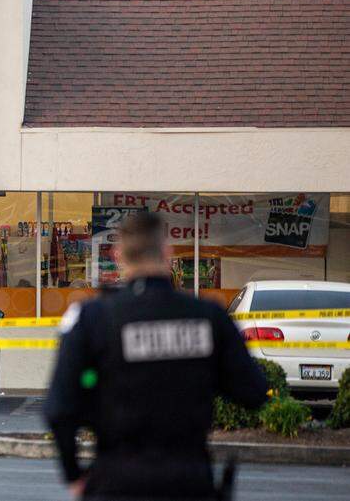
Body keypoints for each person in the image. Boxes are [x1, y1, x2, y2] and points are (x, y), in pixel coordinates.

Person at [44, 211, 268, 500]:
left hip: (116, 481)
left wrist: (74, 474)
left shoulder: (93, 318)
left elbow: (59, 409)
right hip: (188, 481)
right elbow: (253, 392)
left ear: (118, 255)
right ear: (167, 253)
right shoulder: (208, 317)